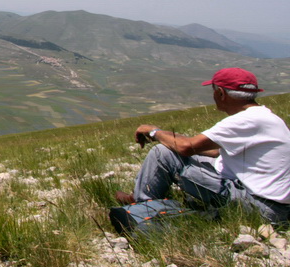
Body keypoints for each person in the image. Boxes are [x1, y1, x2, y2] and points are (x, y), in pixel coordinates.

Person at [115, 67, 290, 224]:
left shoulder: (245, 120)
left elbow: (186, 147)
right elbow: (212, 150)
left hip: (260, 208)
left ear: (220, 93)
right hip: (274, 206)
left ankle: (143, 209)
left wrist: (154, 132)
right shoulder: (265, 117)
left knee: (162, 154)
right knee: (168, 151)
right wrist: (166, 138)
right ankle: (143, 200)